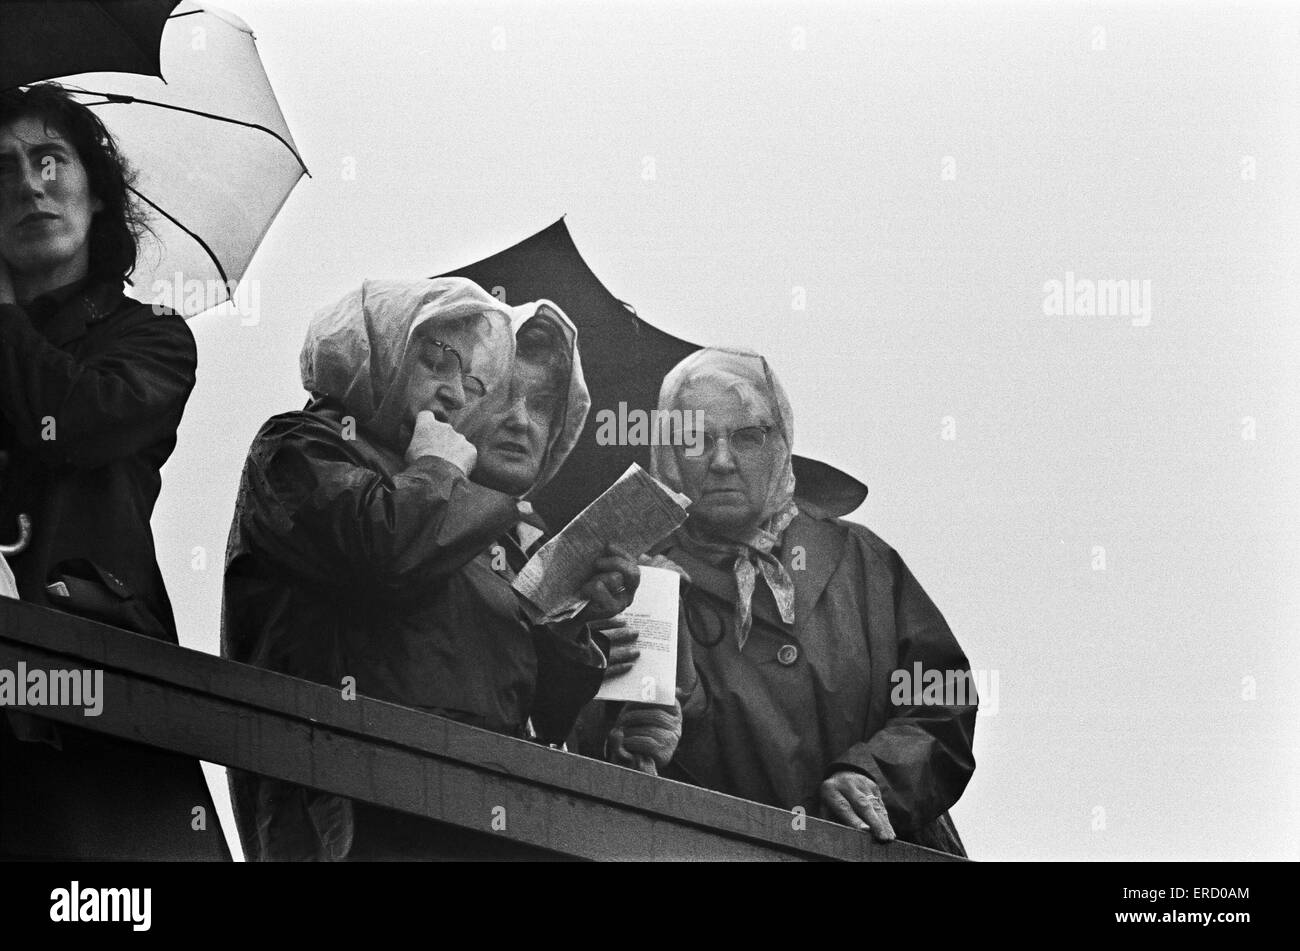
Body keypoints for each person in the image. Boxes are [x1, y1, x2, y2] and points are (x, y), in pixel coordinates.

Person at [222, 278, 637, 860]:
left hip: (478, 815)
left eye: (473, 384)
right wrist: (440, 468)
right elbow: (385, 555)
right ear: (381, 347)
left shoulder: (458, 501)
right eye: (437, 361)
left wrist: (571, 608)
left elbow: (538, 704)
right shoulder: (300, 444)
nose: (455, 395)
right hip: (360, 811)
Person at [609, 347, 977, 854]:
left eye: (748, 436)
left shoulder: (861, 560)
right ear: (670, 455)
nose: (721, 460)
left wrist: (875, 777)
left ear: (781, 445)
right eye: (695, 439)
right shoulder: (638, 582)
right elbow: (623, 763)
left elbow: (943, 695)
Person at [0, 83, 225, 859]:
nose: (29, 183)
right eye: (1, 170)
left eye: (49, 160)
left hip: (98, 686)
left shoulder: (152, 340)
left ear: (96, 198)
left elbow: (70, 422)